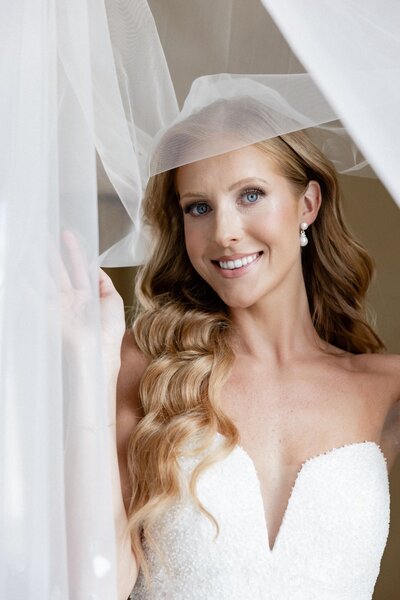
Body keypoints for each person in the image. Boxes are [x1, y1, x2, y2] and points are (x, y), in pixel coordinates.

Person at [108, 128, 400, 599]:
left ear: (307, 204)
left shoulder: (387, 388)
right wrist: (88, 355)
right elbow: (97, 578)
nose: (224, 232)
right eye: (198, 208)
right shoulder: (148, 370)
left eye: (250, 195)